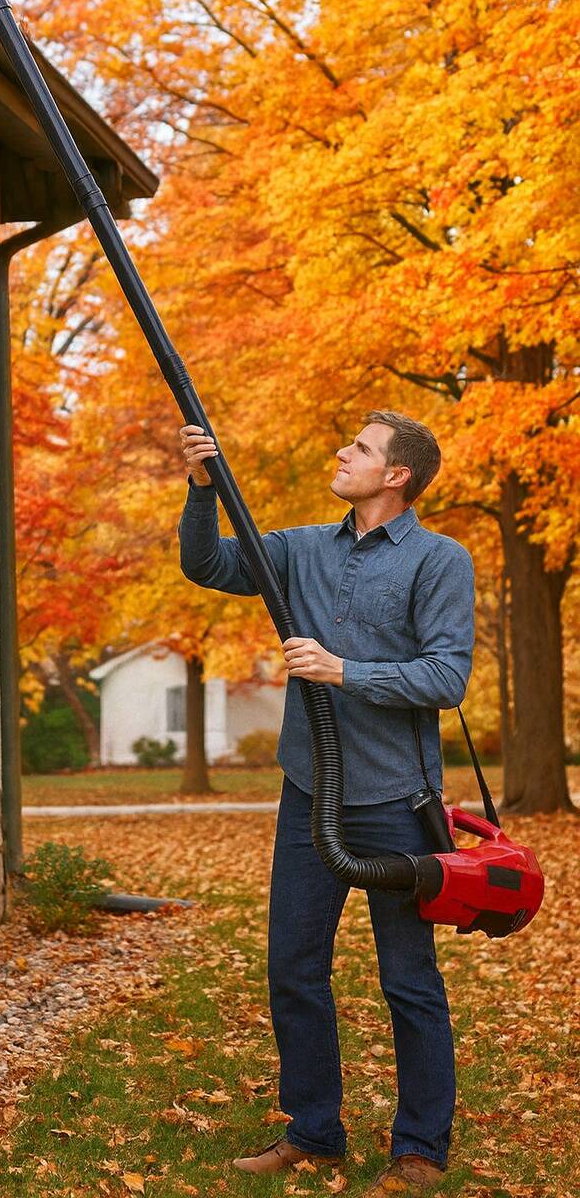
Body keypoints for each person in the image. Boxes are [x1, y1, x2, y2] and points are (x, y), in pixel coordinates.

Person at [177, 411, 474, 1195]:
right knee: (293, 966)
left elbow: (447, 677)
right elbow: (207, 563)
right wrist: (203, 486)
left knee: (408, 980)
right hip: (310, 795)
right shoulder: (300, 548)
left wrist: (345, 670)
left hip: (398, 806)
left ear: (397, 475)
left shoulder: (440, 561)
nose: (343, 452)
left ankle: (419, 1147)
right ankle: (315, 1129)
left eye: (362, 448)